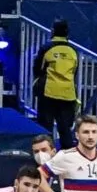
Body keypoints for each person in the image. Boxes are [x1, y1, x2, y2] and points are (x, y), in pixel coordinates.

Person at [32, 19, 78, 148]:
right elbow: (75, 72)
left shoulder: (46, 48)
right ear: (67, 33)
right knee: (65, 129)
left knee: (45, 128)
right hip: (68, 95)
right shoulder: (73, 51)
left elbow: (38, 69)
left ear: (52, 31)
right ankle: (68, 158)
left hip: (49, 93)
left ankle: (45, 157)